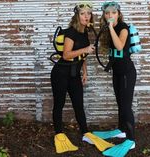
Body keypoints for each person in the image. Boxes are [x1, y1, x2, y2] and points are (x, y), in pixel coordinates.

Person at [50, 2, 113, 154]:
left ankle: (85, 132)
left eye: (89, 13)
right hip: (61, 73)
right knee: (59, 103)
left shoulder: (84, 32)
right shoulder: (71, 32)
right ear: (77, 16)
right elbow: (66, 54)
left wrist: (84, 72)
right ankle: (59, 134)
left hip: (74, 75)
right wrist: (85, 49)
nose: (86, 16)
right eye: (83, 13)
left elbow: (82, 56)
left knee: (79, 104)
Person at [92, 1, 137, 157]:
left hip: (126, 72)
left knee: (125, 106)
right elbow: (112, 52)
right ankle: (122, 130)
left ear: (118, 13)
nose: (110, 15)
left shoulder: (123, 28)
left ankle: (131, 140)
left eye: (113, 12)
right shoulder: (108, 28)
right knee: (120, 103)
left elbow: (119, 46)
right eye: (107, 13)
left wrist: (111, 28)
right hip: (117, 72)